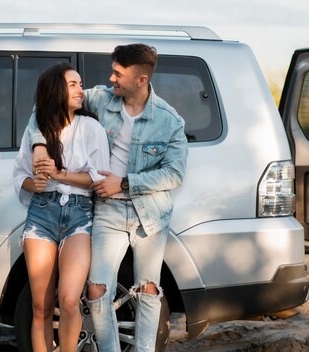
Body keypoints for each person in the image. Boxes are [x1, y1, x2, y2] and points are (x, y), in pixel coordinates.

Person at [28, 44, 188, 351]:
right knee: (98, 290)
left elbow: (174, 174)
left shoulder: (170, 120)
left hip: (150, 213)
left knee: (148, 289)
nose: (110, 78)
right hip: (107, 209)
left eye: (118, 73)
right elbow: (48, 102)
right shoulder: (101, 99)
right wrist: (37, 144)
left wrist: (125, 183)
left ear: (141, 79)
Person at [13, 63, 110, 352]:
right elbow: (19, 176)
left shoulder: (91, 128)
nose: (81, 90)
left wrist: (59, 175)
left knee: (69, 299)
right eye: (73, 85)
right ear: (56, 89)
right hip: (41, 214)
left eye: (80, 84)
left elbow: (99, 178)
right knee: (41, 306)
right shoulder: (37, 133)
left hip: (79, 216)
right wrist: (36, 184)